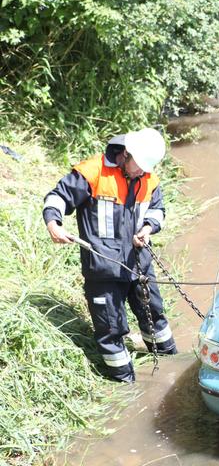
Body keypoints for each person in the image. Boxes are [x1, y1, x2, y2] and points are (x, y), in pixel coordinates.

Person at [43, 128, 177, 382]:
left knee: (155, 315)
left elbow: (157, 210)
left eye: (147, 168)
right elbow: (57, 197)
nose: (142, 172)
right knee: (111, 328)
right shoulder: (92, 173)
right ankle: (125, 382)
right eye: (139, 166)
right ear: (126, 154)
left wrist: (148, 227)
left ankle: (171, 365)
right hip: (103, 269)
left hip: (139, 264)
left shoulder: (149, 177)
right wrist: (53, 223)